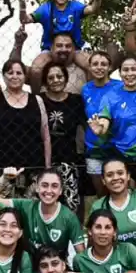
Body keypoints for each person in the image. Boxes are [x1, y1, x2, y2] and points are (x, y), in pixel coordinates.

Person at [0, 59, 51, 194]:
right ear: (3, 76)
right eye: (10, 73)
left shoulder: (37, 100)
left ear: (25, 77)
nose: (14, 76)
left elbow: (45, 137)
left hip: (32, 169)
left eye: (19, 73)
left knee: (31, 207)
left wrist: (47, 168)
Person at [89, 55, 136, 184]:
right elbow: (104, 120)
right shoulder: (110, 96)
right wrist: (100, 129)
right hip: (120, 155)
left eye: (133, 69)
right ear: (120, 73)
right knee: (124, 195)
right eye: (125, 70)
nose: (129, 74)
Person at [0, 167, 85, 255]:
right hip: (28, 264)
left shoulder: (69, 217)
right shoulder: (26, 206)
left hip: (55, 265)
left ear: (60, 190)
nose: (49, 190)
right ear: (37, 187)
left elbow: (82, 255)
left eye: (54, 186)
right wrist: (4, 179)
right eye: (44, 185)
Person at [18, 0, 103, 72]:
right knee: (36, 68)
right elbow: (25, 19)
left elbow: (92, 9)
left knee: (92, 66)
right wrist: (22, 7)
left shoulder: (75, 6)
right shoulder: (46, 9)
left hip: (75, 49)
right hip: (49, 49)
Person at [39, 62, 86, 214]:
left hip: (69, 158)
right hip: (43, 159)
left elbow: (86, 126)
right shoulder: (39, 100)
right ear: (45, 81)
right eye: (51, 77)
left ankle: (73, 227)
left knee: (72, 204)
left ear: (65, 78)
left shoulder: (76, 101)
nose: (55, 80)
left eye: (59, 76)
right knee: (45, 203)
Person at [81, 50, 122, 194]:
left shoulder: (119, 87)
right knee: (101, 193)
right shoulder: (86, 89)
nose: (99, 67)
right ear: (89, 67)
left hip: (117, 147)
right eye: (95, 64)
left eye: (103, 64)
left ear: (110, 67)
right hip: (94, 148)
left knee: (119, 191)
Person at [73, 209, 136, 273]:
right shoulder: (79, 260)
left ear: (114, 232)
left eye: (107, 227)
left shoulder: (127, 250)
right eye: (98, 227)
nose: (103, 232)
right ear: (90, 231)